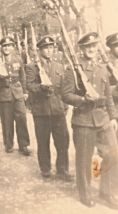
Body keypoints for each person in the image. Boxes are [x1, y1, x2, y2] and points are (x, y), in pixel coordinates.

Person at [62, 31, 118, 209]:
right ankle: (86, 194)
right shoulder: (73, 69)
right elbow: (65, 95)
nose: (92, 49)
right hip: (84, 120)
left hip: (103, 118)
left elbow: (108, 96)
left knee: (112, 155)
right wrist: (82, 100)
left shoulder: (103, 68)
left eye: (94, 46)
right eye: (88, 47)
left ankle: (107, 192)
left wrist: (112, 117)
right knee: (84, 160)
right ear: (82, 49)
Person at [26, 35, 72, 180]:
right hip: (41, 110)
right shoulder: (32, 67)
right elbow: (29, 85)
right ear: (39, 50)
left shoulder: (59, 66)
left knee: (63, 140)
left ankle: (62, 169)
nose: (49, 51)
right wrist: (41, 87)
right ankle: (45, 168)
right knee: (43, 140)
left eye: (51, 48)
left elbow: (63, 88)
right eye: (46, 48)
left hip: (57, 108)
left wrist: (65, 105)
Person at [0, 36, 31, 156]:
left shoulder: (17, 59)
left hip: (17, 92)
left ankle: (23, 144)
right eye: (4, 46)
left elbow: (22, 76)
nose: (7, 48)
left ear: (13, 47)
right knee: (7, 121)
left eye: (9, 46)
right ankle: (8, 144)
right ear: (1, 48)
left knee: (22, 118)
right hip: (4, 93)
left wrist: (25, 91)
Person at [106, 32, 118, 148]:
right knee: (115, 146)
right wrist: (116, 89)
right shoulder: (107, 65)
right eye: (116, 46)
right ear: (111, 48)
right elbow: (103, 90)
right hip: (117, 111)